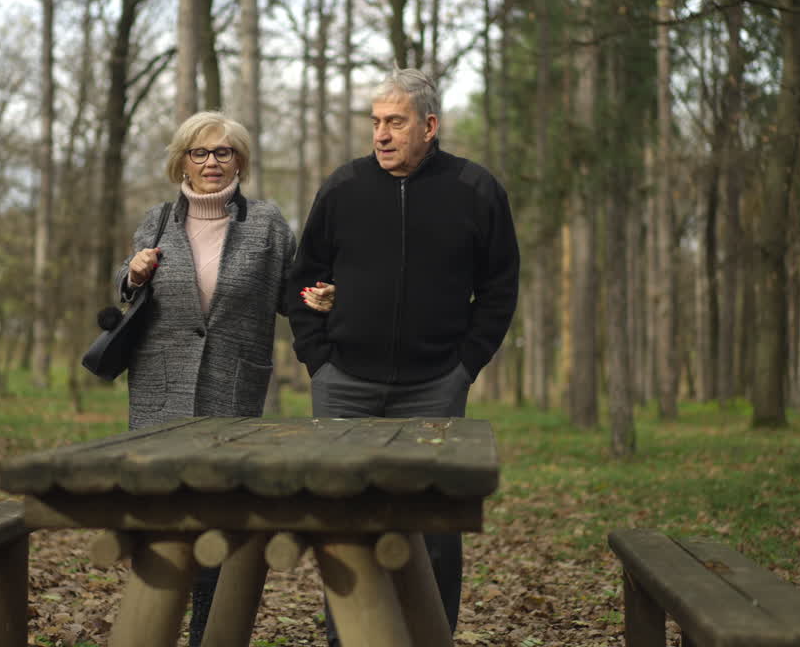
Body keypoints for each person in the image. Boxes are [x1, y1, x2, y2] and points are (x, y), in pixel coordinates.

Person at [286, 67, 519, 645]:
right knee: (345, 526)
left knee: (434, 529)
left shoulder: (476, 188)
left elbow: (500, 288)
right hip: (344, 384)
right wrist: (320, 360)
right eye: (376, 123)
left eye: (396, 122)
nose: (382, 135)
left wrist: (465, 364)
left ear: (430, 126)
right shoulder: (343, 188)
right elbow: (304, 279)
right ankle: (350, 639)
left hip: (435, 385)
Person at [117, 111, 297, 647]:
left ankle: (207, 638)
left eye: (223, 152)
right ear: (182, 161)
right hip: (159, 394)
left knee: (220, 525)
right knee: (166, 527)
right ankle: (153, 632)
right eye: (200, 153)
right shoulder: (155, 221)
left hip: (232, 390)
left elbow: (294, 294)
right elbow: (123, 292)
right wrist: (133, 272)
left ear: (239, 159)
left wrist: (323, 297)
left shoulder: (267, 223)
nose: (212, 162)